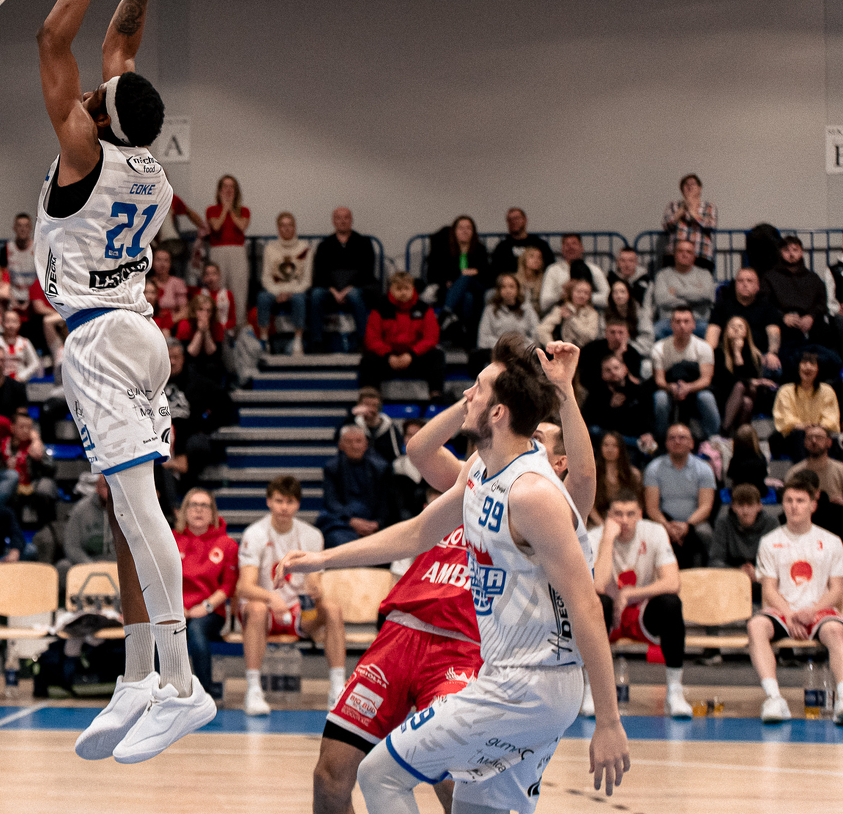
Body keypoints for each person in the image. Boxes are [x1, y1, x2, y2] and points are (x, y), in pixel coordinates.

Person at [282, 335, 629, 813]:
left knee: (379, 775)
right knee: (475, 808)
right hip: (509, 676)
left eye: (479, 388)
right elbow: (417, 531)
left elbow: (586, 603)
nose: (468, 394)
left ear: (498, 412)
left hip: (531, 684)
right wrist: (323, 559)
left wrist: (608, 720)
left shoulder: (533, 494)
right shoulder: (480, 472)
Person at [35, 0, 214, 763]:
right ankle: (138, 674)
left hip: (103, 340)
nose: (87, 91)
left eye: (93, 97)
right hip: (137, 333)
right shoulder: (147, 164)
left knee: (140, 511)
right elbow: (122, 51)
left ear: (98, 117)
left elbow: (51, 40)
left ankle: (181, 684)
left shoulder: (83, 154)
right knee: (121, 505)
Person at [235, 475, 348, 716]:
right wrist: (270, 598)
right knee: (257, 608)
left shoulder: (312, 535)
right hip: (265, 612)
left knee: (332, 609)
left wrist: (315, 587)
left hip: (299, 612)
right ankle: (253, 690)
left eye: (290, 502)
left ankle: (338, 689)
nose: (284, 507)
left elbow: (314, 580)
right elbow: (244, 587)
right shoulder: (254, 534)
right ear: (269, 501)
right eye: (279, 501)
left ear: (298, 504)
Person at [586, 488, 694, 717]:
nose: (624, 520)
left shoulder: (654, 532)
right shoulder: (595, 537)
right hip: (609, 614)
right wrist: (608, 540)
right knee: (598, 603)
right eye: (618, 514)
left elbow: (673, 582)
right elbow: (597, 585)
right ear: (608, 516)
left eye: (630, 514)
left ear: (640, 515)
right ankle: (591, 689)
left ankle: (675, 691)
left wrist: (630, 594)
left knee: (671, 603)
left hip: (641, 612)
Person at [746, 473, 843, 723]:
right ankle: (774, 699)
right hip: (783, 610)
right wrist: (789, 614)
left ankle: (842, 698)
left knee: (836, 630)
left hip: (819, 609)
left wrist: (812, 611)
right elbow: (769, 589)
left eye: (800, 501)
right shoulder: (770, 542)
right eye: (789, 500)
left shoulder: (832, 542)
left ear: (813, 505)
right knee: (756, 626)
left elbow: (836, 590)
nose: (794, 506)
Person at [174, 487, 238, 700]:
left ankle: (203, 696)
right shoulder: (171, 540)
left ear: (213, 513)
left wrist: (205, 607)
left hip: (210, 611)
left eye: (204, 506)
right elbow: (162, 580)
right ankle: (162, 692)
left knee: (196, 631)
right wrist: (177, 607)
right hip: (176, 607)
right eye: (193, 505)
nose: (199, 510)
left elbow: (228, 587)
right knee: (160, 632)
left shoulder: (227, 545)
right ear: (185, 511)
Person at [163, 336, 234, 495]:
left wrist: (204, 424)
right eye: (168, 358)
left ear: (183, 358)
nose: (172, 362)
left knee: (199, 444)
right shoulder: (151, 383)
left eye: (176, 357)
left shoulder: (198, 382)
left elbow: (225, 405)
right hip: (159, 437)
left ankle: (187, 490)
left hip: (189, 438)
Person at [361, 271, 445, 399]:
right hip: (388, 359)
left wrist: (411, 354)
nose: (403, 292)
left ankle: (435, 395)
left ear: (412, 288)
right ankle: (370, 399)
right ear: (391, 289)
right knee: (368, 359)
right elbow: (372, 339)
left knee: (437, 355)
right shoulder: (380, 309)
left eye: (406, 288)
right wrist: (389, 356)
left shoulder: (424, 309)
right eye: (399, 289)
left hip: (414, 358)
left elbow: (431, 338)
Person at [643, 423, 716, 568]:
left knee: (706, 533)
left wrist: (687, 525)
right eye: (672, 438)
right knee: (649, 533)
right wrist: (667, 526)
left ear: (691, 443)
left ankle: (707, 574)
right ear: (666, 443)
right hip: (663, 521)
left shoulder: (704, 469)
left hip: (695, 522)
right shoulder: (653, 468)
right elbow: (651, 508)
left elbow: (706, 507)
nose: (677, 441)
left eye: (682, 438)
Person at [308, 206, 378, 353]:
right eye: (339, 218)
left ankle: (363, 341)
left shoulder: (364, 242)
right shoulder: (324, 245)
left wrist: (348, 289)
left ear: (351, 220)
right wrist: (334, 291)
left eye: (346, 217)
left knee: (355, 295)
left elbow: (367, 271)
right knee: (316, 295)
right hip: (330, 289)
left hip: (356, 287)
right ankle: (317, 342)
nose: (342, 221)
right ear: (333, 221)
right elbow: (320, 273)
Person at [763, 235, 835, 371]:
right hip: (783, 324)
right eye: (786, 250)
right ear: (780, 253)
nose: (791, 254)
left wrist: (811, 316)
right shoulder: (770, 277)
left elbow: (822, 303)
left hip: (811, 324)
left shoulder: (813, 278)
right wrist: (782, 316)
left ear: (801, 252)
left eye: (795, 250)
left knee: (828, 336)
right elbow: (765, 304)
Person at [650, 307, 721, 441]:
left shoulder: (704, 347)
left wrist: (688, 388)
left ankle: (713, 439)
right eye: (678, 321)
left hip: (696, 390)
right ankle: (661, 438)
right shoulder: (659, 348)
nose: (682, 326)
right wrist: (671, 387)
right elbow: (659, 380)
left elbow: (706, 379)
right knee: (660, 398)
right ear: (671, 325)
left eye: (686, 321)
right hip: (670, 389)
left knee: (707, 398)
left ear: (694, 324)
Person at [317, 425, 391, 547]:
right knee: (337, 538)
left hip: (373, 521)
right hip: (343, 521)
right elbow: (331, 502)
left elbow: (385, 502)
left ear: (366, 444)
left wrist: (377, 523)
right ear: (340, 445)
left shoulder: (380, 468)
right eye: (349, 442)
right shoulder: (332, 467)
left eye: (358, 441)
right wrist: (351, 521)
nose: (354, 446)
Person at [705, 267, 783, 373]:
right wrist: (710, 356)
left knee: (775, 369)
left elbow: (773, 333)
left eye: (749, 281)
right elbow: (712, 335)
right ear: (735, 285)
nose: (745, 284)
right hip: (727, 355)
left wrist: (772, 353)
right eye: (740, 281)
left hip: (758, 356)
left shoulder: (768, 308)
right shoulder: (721, 307)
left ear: (757, 286)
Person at [255, 211, 313, 355]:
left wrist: (289, 292)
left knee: (299, 299)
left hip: (296, 291)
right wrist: (278, 292)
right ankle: (264, 341)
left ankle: (298, 341)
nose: (286, 228)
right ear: (278, 228)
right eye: (282, 225)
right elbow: (266, 278)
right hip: (275, 291)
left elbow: (307, 280)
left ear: (294, 227)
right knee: (262, 297)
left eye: (289, 225)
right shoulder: (270, 248)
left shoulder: (305, 247)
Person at [426, 215, 490, 341]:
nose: (465, 231)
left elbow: (487, 273)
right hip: (456, 290)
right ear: (454, 231)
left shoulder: (480, 249)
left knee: (466, 279)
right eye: (461, 228)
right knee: (467, 297)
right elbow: (435, 274)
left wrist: (473, 272)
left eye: (468, 228)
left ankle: (445, 313)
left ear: (473, 232)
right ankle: (466, 332)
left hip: (477, 287)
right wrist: (453, 278)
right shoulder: (445, 250)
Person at [710, 482, 779, 592]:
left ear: (759, 506)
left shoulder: (771, 524)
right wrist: (738, 572)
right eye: (741, 505)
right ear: (733, 506)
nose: (745, 511)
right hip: (731, 581)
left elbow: (778, 561)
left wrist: (758, 573)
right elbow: (715, 561)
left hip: (764, 581)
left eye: (750, 505)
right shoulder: (723, 524)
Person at [711, 315, 773, 436]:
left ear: (745, 332)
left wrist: (738, 354)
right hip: (725, 394)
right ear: (726, 331)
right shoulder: (718, 352)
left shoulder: (754, 354)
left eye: (740, 327)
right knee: (741, 391)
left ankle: (730, 433)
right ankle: (731, 432)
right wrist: (736, 353)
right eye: (732, 326)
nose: (736, 329)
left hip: (750, 394)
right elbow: (725, 380)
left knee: (746, 400)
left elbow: (751, 379)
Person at [773, 353, 840, 462]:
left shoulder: (827, 391)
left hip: (819, 433)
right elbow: (785, 420)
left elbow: (831, 419)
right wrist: (804, 427)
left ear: (818, 369)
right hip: (793, 436)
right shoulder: (785, 391)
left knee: (828, 439)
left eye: (812, 363)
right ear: (797, 367)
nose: (808, 367)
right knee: (800, 435)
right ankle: (803, 470)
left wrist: (816, 429)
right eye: (804, 363)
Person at [583, 354, 654, 452]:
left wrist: (647, 433)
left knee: (650, 444)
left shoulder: (638, 390)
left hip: (634, 435)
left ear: (625, 369)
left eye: (616, 368)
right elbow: (590, 423)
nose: (613, 372)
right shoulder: (596, 395)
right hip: (609, 438)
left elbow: (648, 416)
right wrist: (611, 408)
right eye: (608, 370)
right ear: (603, 375)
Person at [205, 174, 251, 324]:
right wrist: (224, 208)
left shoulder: (244, 210)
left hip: (237, 251)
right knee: (218, 288)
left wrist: (231, 209)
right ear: (219, 190)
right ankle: (219, 325)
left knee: (239, 289)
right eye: (225, 186)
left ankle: (239, 325)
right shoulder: (212, 210)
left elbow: (242, 226)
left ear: (236, 191)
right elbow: (216, 226)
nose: (228, 190)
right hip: (218, 251)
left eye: (232, 187)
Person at [649, 240, 715, 338]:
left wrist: (677, 292)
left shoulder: (705, 274)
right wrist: (694, 300)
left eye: (689, 252)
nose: (684, 255)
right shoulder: (662, 275)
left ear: (694, 256)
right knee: (655, 331)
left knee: (711, 332)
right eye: (680, 251)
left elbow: (707, 295)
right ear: (674, 255)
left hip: (698, 321)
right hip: (669, 321)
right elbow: (661, 300)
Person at [60, 473, 116, 579]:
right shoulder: (80, 510)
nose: (110, 491)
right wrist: (90, 565)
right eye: (105, 487)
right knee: (63, 567)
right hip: (87, 562)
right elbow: (71, 546)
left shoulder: (125, 511)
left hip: (117, 564)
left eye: (113, 487)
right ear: (97, 488)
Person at [541, 233, 610, 312]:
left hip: (590, 313)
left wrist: (584, 295)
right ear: (562, 249)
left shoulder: (594, 269)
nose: (570, 247)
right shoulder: (553, 270)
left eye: (574, 243)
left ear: (582, 247)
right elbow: (544, 303)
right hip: (561, 314)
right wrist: (562, 295)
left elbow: (608, 298)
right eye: (567, 244)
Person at [476, 273, 539, 360]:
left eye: (511, 287)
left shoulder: (527, 309)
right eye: (503, 287)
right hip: (497, 352)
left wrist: (520, 347)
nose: (508, 290)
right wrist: (505, 346)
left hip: (522, 352)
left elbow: (536, 334)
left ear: (517, 289)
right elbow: (483, 339)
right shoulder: (490, 310)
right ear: (499, 290)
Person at [662, 173, 717, 271]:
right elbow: (667, 226)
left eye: (693, 184)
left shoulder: (709, 206)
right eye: (686, 184)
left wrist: (692, 212)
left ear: (699, 188)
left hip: (701, 254)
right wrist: (681, 210)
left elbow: (711, 225)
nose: (689, 186)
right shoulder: (673, 205)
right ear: (681, 189)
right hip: (675, 254)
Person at [589, 432, 643, 527]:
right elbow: (590, 507)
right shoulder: (591, 474)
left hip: (627, 521)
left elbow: (638, 504)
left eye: (614, 445)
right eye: (606, 445)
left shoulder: (633, 475)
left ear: (621, 448)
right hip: (598, 523)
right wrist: (603, 526)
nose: (610, 449)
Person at [578, 318, 645, 394]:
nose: (617, 336)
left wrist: (620, 357)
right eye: (612, 332)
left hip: (625, 393)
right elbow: (587, 377)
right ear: (606, 334)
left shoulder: (633, 354)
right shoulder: (592, 349)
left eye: (621, 332)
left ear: (627, 335)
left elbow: (635, 381)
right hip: (595, 390)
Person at [3, 212, 40, 343]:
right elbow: (3, 277)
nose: (23, 229)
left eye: (26, 226)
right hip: (12, 301)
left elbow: (41, 278)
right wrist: (11, 299)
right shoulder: (7, 249)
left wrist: (31, 300)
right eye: (19, 226)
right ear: (14, 228)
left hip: (33, 302)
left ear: (30, 228)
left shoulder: (38, 249)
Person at [489, 206, 556, 279]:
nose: (513, 222)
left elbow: (550, 268)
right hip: (510, 283)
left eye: (516, 218)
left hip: (536, 282)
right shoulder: (502, 247)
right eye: (510, 220)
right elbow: (494, 272)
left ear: (525, 220)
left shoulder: (539, 244)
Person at [0, 309, 40, 383]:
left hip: (19, 382)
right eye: (7, 322)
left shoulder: (25, 342)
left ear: (19, 324)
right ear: (2, 323)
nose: (11, 326)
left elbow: (35, 363)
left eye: (14, 322)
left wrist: (22, 376)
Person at [784, 425, 843, 503]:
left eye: (819, 437)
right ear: (805, 443)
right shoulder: (794, 473)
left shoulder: (840, 470)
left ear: (829, 442)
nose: (814, 441)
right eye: (809, 438)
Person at [537, 277, 602, 348]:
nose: (582, 295)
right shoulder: (561, 309)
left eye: (586, 293)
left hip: (584, 350)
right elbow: (542, 329)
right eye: (578, 292)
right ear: (571, 292)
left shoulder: (592, 314)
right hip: (563, 348)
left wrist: (571, 319)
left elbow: (590, 336)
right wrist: (552, 346)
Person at [174, 292, 225, 382]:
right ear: (194, 310)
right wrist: (200, 331)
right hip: (189, 364)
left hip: (210, 364)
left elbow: (212, 354)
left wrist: (206, 331)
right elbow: (190, 354)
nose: (204, 314)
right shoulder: (185, 324)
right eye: (200, 309)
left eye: (208, 310)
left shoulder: (217, 326)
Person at [353, 387, 406, 463]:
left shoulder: (390, 427)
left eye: (374, 405)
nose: (371, 409)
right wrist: (353, 416)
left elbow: (397, 455)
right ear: (359, 406)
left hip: (384, 467)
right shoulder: (352, 424)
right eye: (367, 405)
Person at [604, 280, 654, 356]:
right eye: (615, 292)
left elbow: (647, 339)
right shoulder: (605, 314)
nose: (619, 296)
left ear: (629, 294)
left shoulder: (640, 313)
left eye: (622, 292)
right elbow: (602, 338)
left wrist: (627, 348)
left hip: (635, 352)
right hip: (610, 352)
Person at [148, 245, 188, 326]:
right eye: (158, 260)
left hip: (172, 323)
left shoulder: (178, 283)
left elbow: (184, 311)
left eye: (166, 260)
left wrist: (168, 322)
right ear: (152, 262)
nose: (162, 264)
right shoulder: (147, 282)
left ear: (170, 263)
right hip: (150, 321)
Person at [727, 424, 770, 491]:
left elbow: (730, 475)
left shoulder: (735, 461)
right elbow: (764, 474)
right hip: (759, 492)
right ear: (755, 440)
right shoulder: (761, 458)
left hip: (739, 493)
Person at [516, 247, 549, 318]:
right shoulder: (515, 279)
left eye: (539, 257)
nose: (536, 260)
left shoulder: (545, 280)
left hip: (538, 316)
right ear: (524, 259)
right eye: (532, 256)